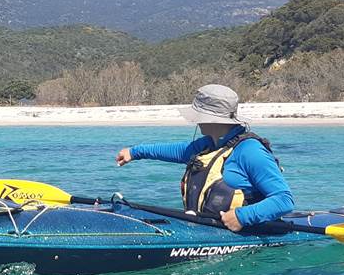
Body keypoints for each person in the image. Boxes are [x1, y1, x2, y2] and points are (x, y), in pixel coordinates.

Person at [116, 84, 293, 232]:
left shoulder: (250, 151)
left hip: (246, 238)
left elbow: (284, 200)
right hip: (206, 229)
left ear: (212, 119)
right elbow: (176, 151)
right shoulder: (209, 144)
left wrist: (242, 217)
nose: (196, 121)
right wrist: (135, 152)